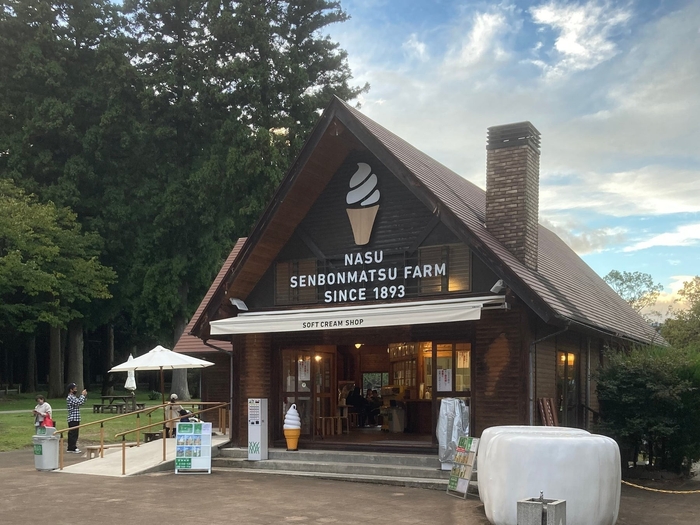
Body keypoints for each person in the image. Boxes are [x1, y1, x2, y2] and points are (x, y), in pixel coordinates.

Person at [66, 383, 87, 453]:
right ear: (71, 390)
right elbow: (79, 402)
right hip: (72, 418)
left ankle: (72, 447)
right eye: (75, 389)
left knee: (75, 433)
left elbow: (82, 403)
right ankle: (71, 448)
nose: (76, 390)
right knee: (73, 434)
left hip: (76, 418)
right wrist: (82, 395)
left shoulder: (73, 397)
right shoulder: (70, 397)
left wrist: (84, 396)